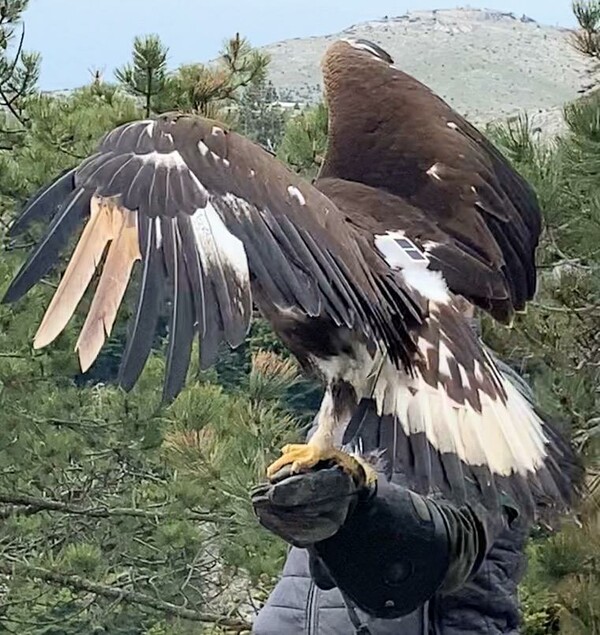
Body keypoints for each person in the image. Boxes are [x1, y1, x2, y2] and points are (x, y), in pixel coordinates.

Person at [251, 355, 580, 635]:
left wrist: (364, 501)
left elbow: (458, 543)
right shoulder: (357, 377)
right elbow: (317, 576)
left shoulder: (487, 395)